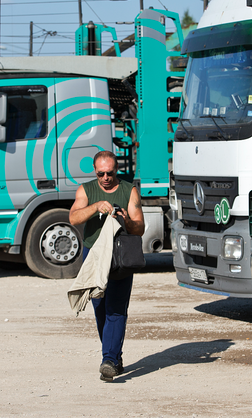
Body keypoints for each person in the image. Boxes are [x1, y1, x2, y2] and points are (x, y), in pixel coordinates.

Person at [69, 150, 145, 381]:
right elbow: (73, 218)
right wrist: (95, 207)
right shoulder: (86, 190)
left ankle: (109, 359)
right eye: (101, 173)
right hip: (93, 254)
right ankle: (113, 355)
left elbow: (140, 227)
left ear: (117, 170)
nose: (105, 178)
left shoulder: (129, 190)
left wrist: (126, 219)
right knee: (100, 308)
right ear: (95, 171)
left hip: (120, 256)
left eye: (110, 173)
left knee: (116, 308)